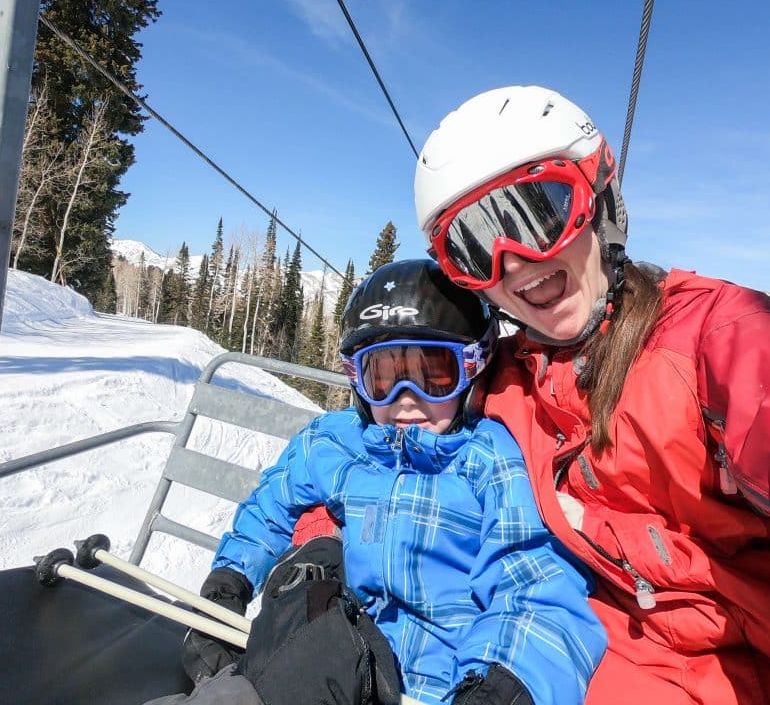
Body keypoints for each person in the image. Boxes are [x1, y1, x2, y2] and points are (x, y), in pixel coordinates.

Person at [412, 85, 770, 705]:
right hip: (620, 663)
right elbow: (375, 456)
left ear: (600, 201)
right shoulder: (506, 385)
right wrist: (318, 550)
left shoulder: (715, 338)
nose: (512, 264)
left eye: (540, 214)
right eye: (475, 247)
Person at [182, 259, 607, 705]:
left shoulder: (489, 461)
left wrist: (500, 686)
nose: (406, 400)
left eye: (433, 374)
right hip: (330, 662)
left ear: (473, 368)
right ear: (356, 379)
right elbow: (271, 506)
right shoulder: (335, 442)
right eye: (382, 377)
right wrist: (228, 582)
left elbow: (535, 584)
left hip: (435, 689)